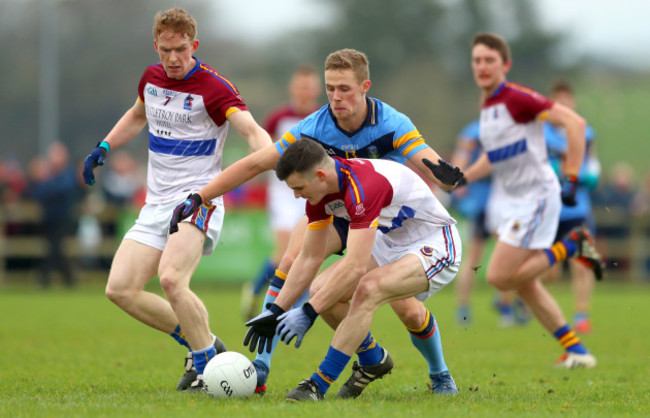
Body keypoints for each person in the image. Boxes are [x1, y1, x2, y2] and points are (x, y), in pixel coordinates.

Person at [169, 48, 461, 396]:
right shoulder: (314, 128)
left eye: (345, 89)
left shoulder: (391, 123)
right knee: (294, 261)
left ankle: (439, 374)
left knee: (406, 310)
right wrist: (201, 195)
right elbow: (254, 164)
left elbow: (426, 159)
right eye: (330, 88)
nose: (336, 97)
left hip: (391, 219)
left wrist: (445, 174)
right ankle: (265, 366)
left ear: (365, 86)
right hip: (345, 209)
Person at [81, 8, 272, 392]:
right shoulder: (151, 79)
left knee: (170, 279)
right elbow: (138, 115)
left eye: (180, 50)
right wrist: (105, 145)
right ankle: (203, 344)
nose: (172, 58)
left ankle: (205, 366)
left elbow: (251, 131)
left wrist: (267, 153)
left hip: (197, 200)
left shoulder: (215, 88)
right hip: (156, 204)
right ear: (156, 46)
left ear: (194, 46)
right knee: (119, 289)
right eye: (165, 50)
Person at [441, 32, 604, 369]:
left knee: (500, 277)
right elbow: (495, 158)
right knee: (524, 283)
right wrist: (463, 177)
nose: (482, 66)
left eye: (489, 60)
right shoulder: (488, 107)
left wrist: (572, 175)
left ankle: (572, 245)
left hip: (538, 197)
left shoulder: (516, 97)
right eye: (477, 60)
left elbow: (576, 123)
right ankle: (575, 350)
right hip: (519, 202)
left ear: (505, 65)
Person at [263, 139, 461, 401]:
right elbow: (309, 257)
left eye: (298, 188)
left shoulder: (362, 187)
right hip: (389, 240)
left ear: (320, 175)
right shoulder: (321, 193)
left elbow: (355, 267)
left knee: (371, 291)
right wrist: (276, 311)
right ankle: (372, 358)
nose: (296, 196)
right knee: (322, 290)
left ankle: (318, 385)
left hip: (434, 241)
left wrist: (309, 312)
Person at [241, 64, 322, 321]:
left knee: (303, 252)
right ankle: (256, 291)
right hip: (282, 194)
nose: (304, 92)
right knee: (285, 254)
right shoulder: (278, 119)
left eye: (308, 87)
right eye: (300, 86)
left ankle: (292, 307)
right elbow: (260, 152)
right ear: (292, 88)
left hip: (312, 193)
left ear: (316, 90)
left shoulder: (323, 117)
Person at [542, 79, 601, 334]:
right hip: (548, 210)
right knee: (550, 272)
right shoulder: (540, 131)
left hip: (577, 209)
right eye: (560, 101)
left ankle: (581, 314)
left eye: (569, 100)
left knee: (582, 262)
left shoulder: (585, 132)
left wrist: (590, 175)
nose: (565, 105)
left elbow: (593, 165)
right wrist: (558, 171)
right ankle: (526, 299)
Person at [29, 142, 81, 288]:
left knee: (55, 248)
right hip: (49, 220)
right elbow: (38, 194)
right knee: (55, 249)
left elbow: (60, 189)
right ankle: (68, 278)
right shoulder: (50, 177)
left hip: (64, 220)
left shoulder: (68, 175)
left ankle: (45, 277)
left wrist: (47, 186)